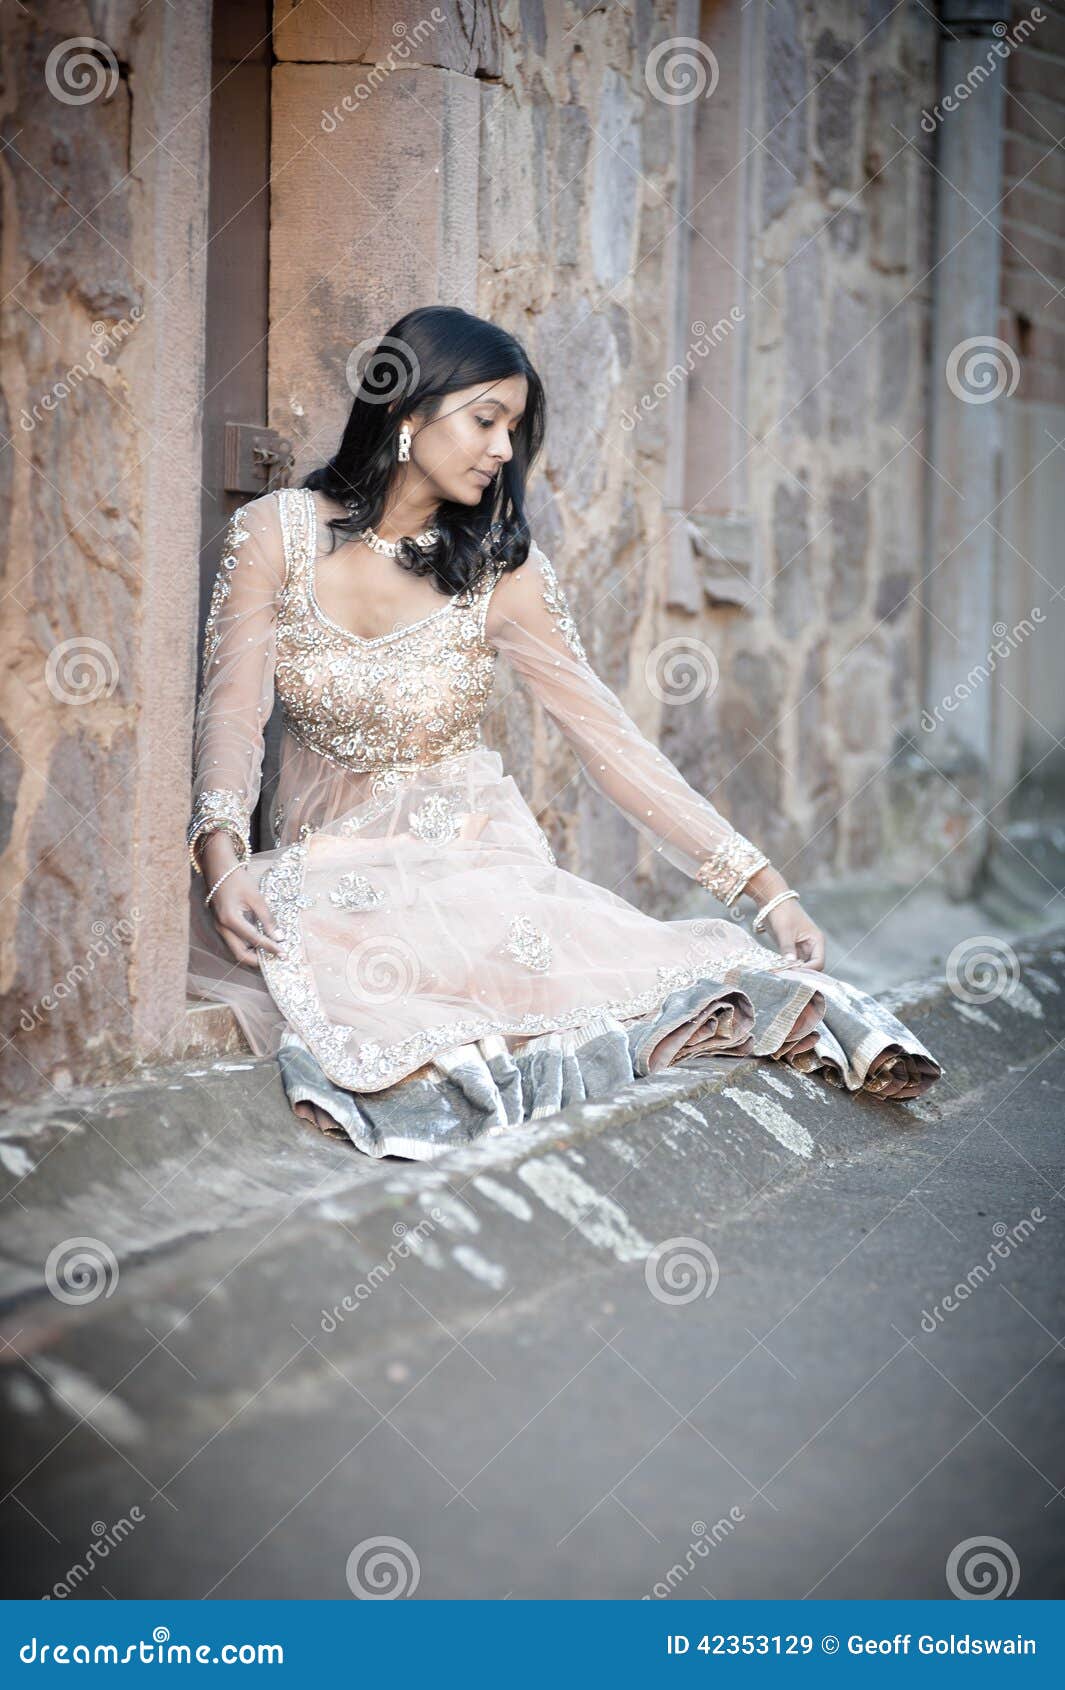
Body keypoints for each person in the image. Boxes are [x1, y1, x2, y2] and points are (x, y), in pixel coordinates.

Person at [186, 305, 942, 1159]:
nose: (504, 450)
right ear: (406, 412)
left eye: (512, 427)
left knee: (602, 986)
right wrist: (219, 854)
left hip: (466, 860)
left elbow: (610, 745)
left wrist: (764, 886)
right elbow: (232, 708)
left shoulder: (499, 573)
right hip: (322, 868)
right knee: (375, 1009)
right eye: (485, 420)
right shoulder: (276, 534)